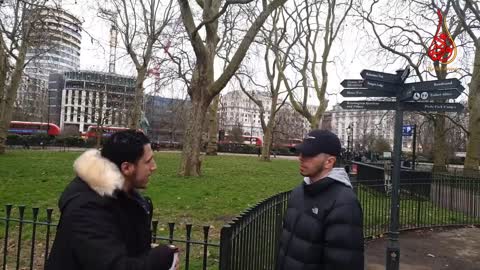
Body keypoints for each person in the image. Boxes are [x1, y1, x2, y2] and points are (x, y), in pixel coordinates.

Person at [46, 130, 178, 270]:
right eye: (148, 161)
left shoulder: (124, 195)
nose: (154, 167)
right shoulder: (86, 209)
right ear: (126, 168)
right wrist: (161, 258)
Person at [276, 129, 364, 270]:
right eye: (301, 152)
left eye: (309, 154)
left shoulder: (344, 204)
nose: (301, 157)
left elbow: (344, 262)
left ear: (329, 162)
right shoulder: (299, 191)